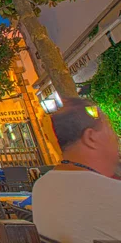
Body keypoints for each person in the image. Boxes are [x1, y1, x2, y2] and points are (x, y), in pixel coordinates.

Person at [33, 98, 121, 243]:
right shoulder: (113, 193)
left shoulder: (41, 187)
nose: (116, 137)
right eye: (110, 129)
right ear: (90, 137)